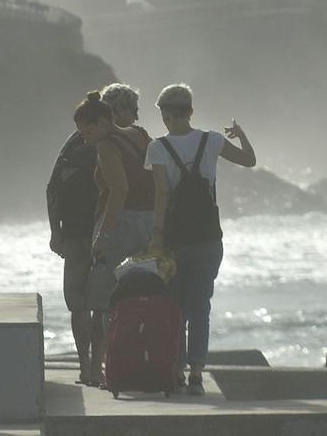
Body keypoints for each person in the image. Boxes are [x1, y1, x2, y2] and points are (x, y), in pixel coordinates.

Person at [147, 81, 256, 396]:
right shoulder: (212, 141)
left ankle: (176, 370)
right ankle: (196, 373)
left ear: (165, 114)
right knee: (200, 306)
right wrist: (242, 134)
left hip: (174, 240)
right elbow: (250, 161)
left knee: (174, 307)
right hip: (209, 238)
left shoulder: (158, 147)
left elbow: (162, 194)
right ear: (191, 111)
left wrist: (156, 237)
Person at [86, 85, 156, 331]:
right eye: (133, 110)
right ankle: (143, 350)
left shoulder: (107, 144)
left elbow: (119, 191)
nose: (136, 116)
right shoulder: (143, 136)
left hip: (122, 224)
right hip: (151, 221)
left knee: (107, 298)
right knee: (146, 293)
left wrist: (102, 236)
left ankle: (111, 359)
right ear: (119, 111)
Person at [46, 95, 103, 384]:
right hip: (102, 233)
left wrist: (55, 231)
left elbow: (52, 188)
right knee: (100, 304)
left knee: (79, 304)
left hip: (76, 234)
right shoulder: (113, 141)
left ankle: (86, 366)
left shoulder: (72, 143)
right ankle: (95, 368)